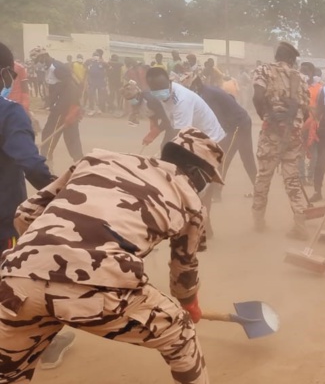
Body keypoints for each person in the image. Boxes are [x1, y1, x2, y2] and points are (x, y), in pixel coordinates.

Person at [0, 128, 224, 384]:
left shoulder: (97, 160)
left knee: (8, 373)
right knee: (181, 332)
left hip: (16, 281)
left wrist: (40, 259)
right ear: (196, 173)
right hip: (98, 291)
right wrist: (190, 305)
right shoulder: (192, 204)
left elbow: (26, 213)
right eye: (207, 179)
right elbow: (183, 271)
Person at [1, 41, 77, 370]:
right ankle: (38, 346)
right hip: (3, 219)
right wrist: (61, 191)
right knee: (16, 281)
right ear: (5, 74)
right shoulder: (9, 112)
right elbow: (29, 163)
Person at [250, 42, 311, 239]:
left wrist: (266, 116)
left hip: (272, 134)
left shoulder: (264, 70)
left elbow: (257, 97)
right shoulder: (301, 78)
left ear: (276, 56)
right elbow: (307, 110)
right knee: (292, 179)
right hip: (293, 134)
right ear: (292, 60)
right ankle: (300, 224)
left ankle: (258, 221)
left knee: (263, 177)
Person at [187, 76, 257, 202]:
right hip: (241, 122)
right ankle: (259, 190)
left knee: (223, 158)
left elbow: (217, 117)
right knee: (246, 158)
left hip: (237, 125)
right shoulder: (207, 90)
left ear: (195, 87)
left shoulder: (207, 95)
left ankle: (216, 194)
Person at [31, 46, 84, 167]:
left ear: (43, 57)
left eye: (38, 61)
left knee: (49, 134)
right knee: (71, 137)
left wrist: (74, 109)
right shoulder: (50, 68)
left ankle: (46, 164)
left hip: (64, 108)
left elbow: (73, 88)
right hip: (60, 107)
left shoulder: (57, 68)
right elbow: (55, 89)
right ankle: (80, 163)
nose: (37, 64)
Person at [85, 51, 108, 115]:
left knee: (100, 95)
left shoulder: (102, 62)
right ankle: (92, 109)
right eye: (94, 56)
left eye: (97, 56)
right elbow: (85, 67)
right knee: (91, 95)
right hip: (92, 81)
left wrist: (105, 78)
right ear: (92, 56)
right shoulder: (89, 62)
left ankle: (99, 109)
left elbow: (109, 68)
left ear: (99, 57)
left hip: (100, 81)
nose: (95, 57)